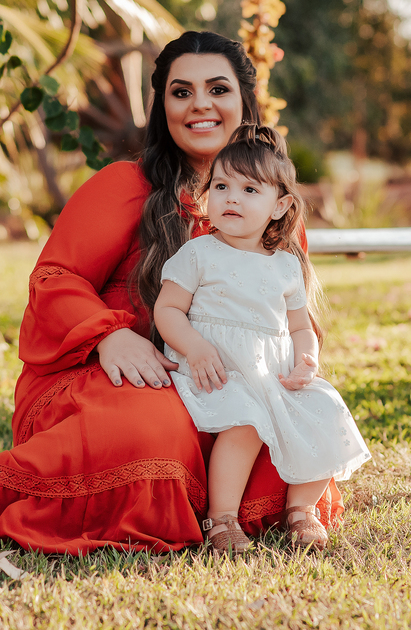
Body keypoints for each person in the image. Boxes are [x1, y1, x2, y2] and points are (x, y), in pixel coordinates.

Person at [0, 31, 344, 553]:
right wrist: (111, 337)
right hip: (113, 377)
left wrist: (300, 366)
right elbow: (55, 278)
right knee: (156, 431)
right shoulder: (124, 185)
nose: (200, 104)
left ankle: (247, 510)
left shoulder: (275, 216)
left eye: (217, 89)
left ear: (245, 101)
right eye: (182, 92)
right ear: (163, 108)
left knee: (291, 430)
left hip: (232, 383)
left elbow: (289, 315)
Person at [155, 125, 370, 552]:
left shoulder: (285, 265)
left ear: (280, 205)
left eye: (249, 189)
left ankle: (301, 510)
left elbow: (300, 327)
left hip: (272, 374)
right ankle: (221, 519)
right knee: (246, 421)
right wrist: (195, 347)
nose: (231, 198)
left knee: (325, 409)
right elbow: (168, 310)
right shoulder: (199, 253)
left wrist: (307, 358)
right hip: (217, 370)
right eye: (221, 186)